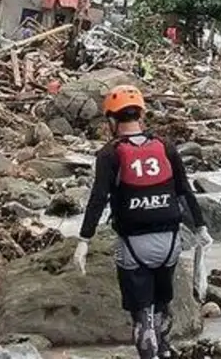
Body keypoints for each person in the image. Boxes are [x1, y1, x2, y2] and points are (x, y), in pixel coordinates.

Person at [75, 85, 212, 359]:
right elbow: (184, 191)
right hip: (171, 242)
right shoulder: (165, 147)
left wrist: (84, 240)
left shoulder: (109, 154)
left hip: (133, 244)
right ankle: (164, 350)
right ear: (141, 114)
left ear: (112, 120)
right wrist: (201, 227)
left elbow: (98, 198)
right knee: (162, 305)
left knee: (142, 316)